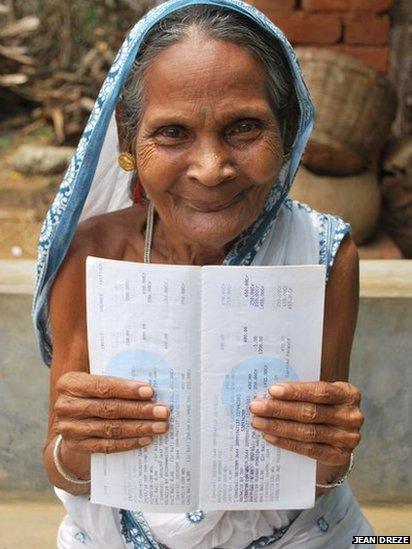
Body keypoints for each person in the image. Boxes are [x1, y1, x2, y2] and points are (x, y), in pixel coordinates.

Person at [33, 0, 375, 547]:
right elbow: (62, 466)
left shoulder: (323, 254)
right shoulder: (92, 255)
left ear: (288, 132)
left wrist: (329, 453)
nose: (211, 169)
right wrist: (77, 445)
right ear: (128, 143)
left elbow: (317, 476)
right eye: (171, 133)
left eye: (245, 128)